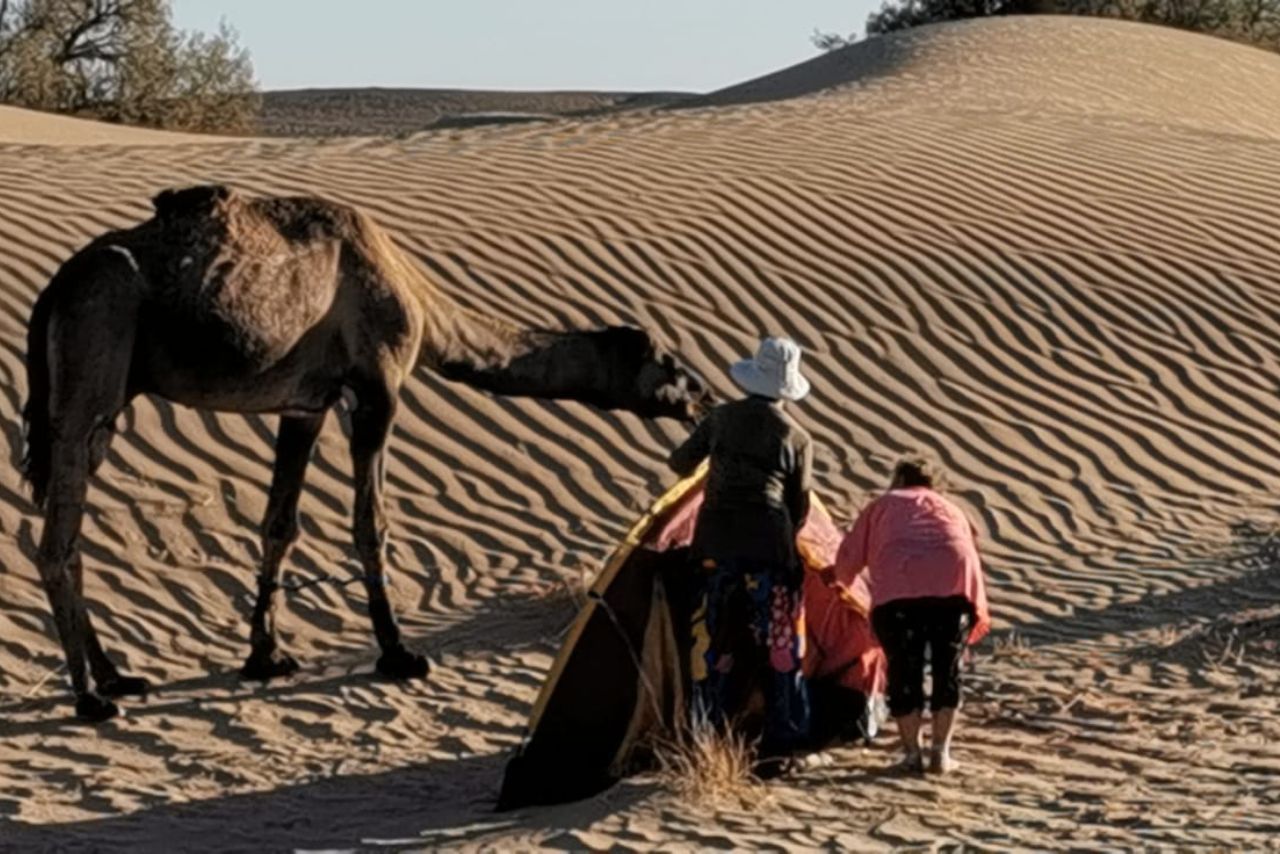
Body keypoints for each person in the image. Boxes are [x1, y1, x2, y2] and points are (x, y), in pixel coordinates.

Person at [669, 336, 814, 775]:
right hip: (770, 545)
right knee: (781, 646)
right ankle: (782, 745)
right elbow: (799, 505)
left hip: (714, 543)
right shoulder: (796, 435)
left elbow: (680, 462)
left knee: (708, 642)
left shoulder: (722, 418)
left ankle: (702, 738)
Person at [824, 455, 989, 774]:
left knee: (904, 669)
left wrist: (836, 577)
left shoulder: (883, 504)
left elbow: (849, 557)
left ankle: (912, 754)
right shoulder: (951, 508)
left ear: (899, 479)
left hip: (900, 593)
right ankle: (941, 753)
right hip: (953, 590)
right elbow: (969, 546)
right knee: (947, 668)